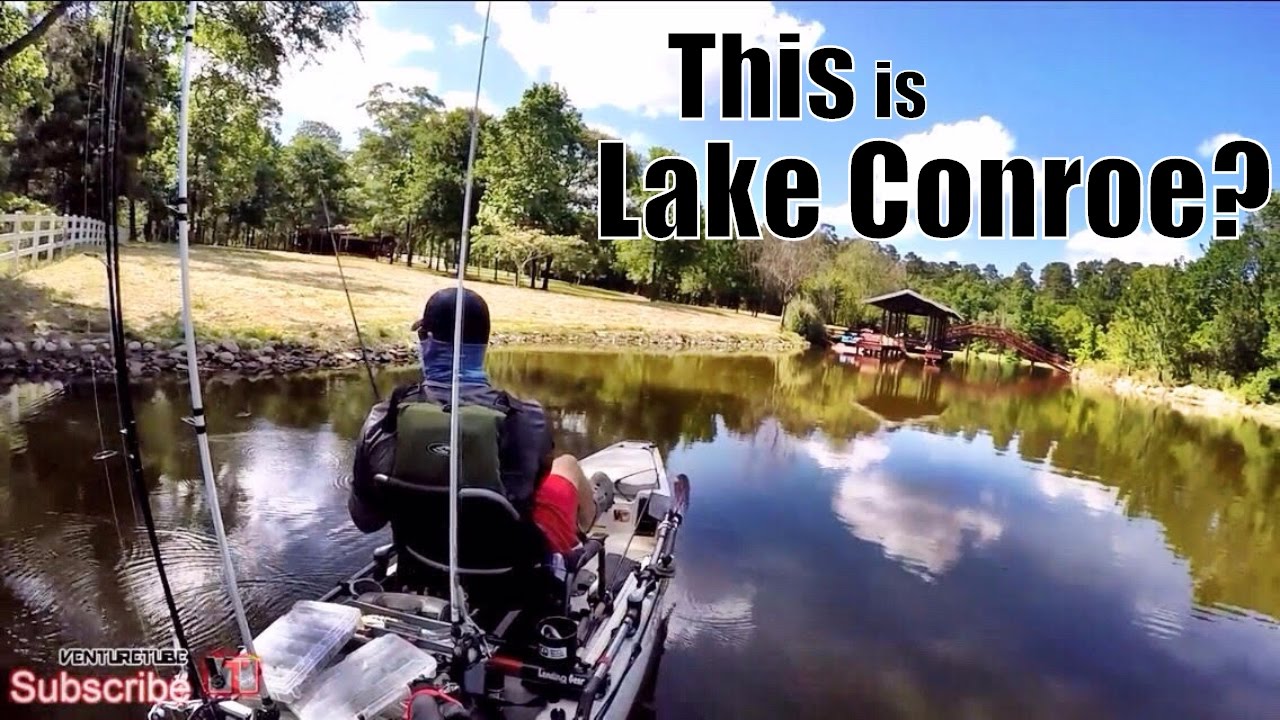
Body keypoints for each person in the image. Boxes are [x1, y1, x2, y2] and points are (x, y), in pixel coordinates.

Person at [348, 287, 607, 559]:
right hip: (509, 572)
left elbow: (366, 521)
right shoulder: (528, 419)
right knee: (566, 465)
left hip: (422, 561)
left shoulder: (382, 419)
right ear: (483, 345)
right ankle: (582, 538)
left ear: (426, 341)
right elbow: (529, 496)